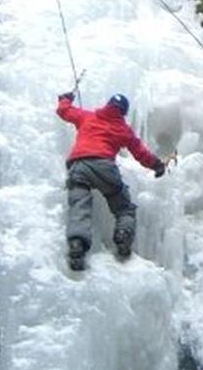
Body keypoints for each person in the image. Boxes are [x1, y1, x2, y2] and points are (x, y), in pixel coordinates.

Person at [56, 91, 166, 270]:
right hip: (104, 167)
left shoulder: (87, 116)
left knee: (79, 206)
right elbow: (140, 153)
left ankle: (77, 246)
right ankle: (123, 237)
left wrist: (65, 99)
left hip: (79, 165)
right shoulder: (123, 129)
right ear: (123, 112)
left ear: (107, 105)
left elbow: (64, 112)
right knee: (124, 208)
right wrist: (157, 166)